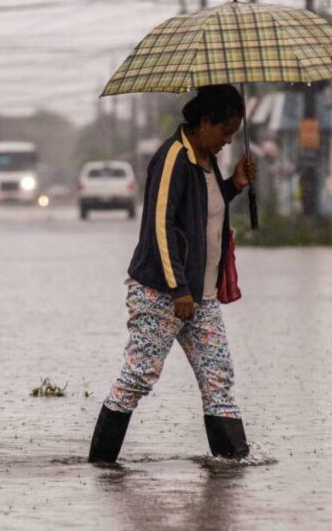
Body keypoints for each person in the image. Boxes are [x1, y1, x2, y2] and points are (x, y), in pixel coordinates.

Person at [88, 84, 257, 464]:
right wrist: (179, 289)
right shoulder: (173, 158)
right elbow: (160, 227)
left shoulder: (207, 161)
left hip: (202, 297)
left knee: (219, 379)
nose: (228, 142)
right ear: (204, 122)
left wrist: (234, 185)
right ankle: (101, 466)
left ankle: (233, 466)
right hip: (160, 293)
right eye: (224, 132)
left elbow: (202, 213)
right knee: (138, 377)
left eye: (233, 134)